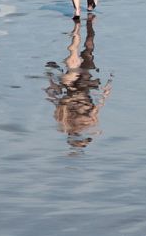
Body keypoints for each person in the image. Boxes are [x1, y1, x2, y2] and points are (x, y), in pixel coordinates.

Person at [45, 15, 113, 149]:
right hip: (78, 85)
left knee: (85, 51)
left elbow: (97, 107)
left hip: (81, 85)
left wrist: (106, 92)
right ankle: (81, 26)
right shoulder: (69, 122)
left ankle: (81, 26)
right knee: (82, 52)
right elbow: (56, 99)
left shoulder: (72, 122)